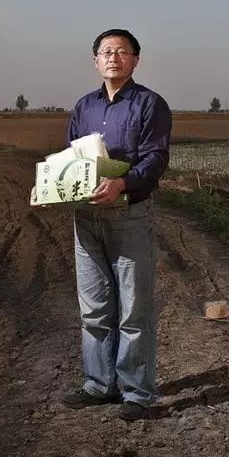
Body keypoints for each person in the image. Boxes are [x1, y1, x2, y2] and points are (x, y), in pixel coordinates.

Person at [60, 29, 171, 422]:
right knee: (93, 308)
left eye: (122, 51)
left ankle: (137, 392)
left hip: (129, 215)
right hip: (87, 218)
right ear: (95, 61)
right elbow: (72, 156)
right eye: (106, 51)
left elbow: (155, 159)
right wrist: (53, 187)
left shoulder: (149, 104)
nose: (113, 57)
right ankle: (98, 385)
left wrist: (123, 182)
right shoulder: (83, 107)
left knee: (133, 309)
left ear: (135, 60)